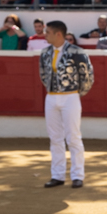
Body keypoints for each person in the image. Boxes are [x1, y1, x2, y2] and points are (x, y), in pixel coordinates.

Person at [39, 20, 93, 188]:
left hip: (70, 96)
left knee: (73, 137)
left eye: (47, 32)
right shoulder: (45, 52)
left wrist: (76, 94)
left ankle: (77, 175)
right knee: (55, 138)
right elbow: (43, 74)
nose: (44, 35)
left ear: (58, 34)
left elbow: (87, 77)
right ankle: (58, 175)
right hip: (51, 97)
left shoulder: (77, 52)